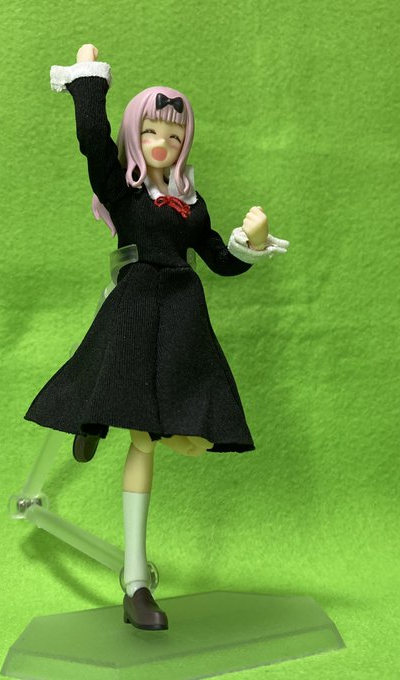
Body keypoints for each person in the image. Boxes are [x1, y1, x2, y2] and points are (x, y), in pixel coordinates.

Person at [25, 44, 290, 630]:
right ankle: (136, 582)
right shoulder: (123, 192)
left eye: (173, 133)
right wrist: (88, 77)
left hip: (182, 323)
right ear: (135, 135)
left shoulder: (192, 206)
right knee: (145, 438)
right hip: (136, 313)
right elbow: (93, 142)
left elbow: (220, 261)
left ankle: (96, 417)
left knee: (193, 438)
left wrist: (251, 241)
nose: (162, 143)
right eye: (150, 132)